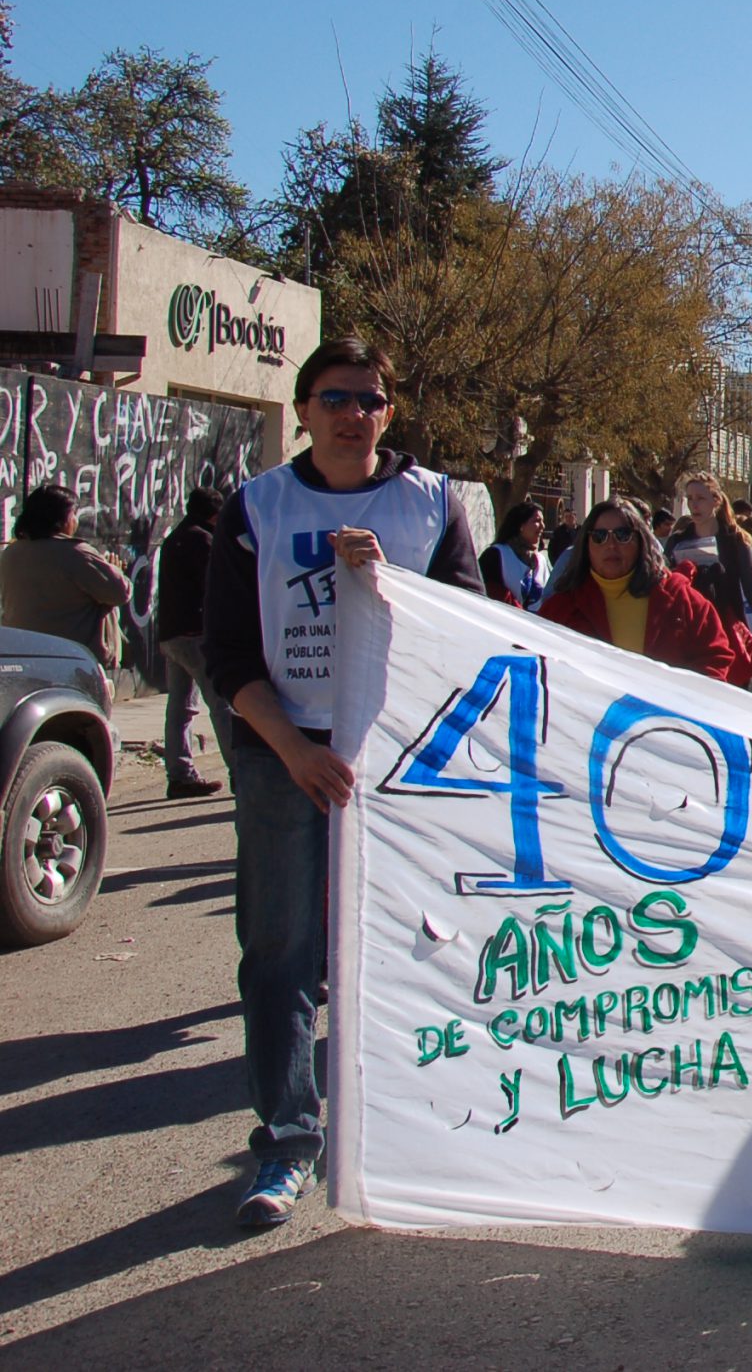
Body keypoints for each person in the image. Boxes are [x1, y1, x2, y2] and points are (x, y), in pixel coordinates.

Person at [199, 337, 485, 1228]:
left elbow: (471, 632)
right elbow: (229, 657)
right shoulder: (258, 507)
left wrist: (387, 583)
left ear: (389, 413)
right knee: (281, 954)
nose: (352, 414)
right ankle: (287, 1142)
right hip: (288, 754)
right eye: (334, 399)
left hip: (395, 759)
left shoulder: (432, 503)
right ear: (304, 410)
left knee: (418, 945)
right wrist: (291, 750)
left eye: (368, 399)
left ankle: (411, 1129)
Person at [539, 497, 741, 677]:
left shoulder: (680, 598)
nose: (611, 544)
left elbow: (716, 656)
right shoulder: (561, 608)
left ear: (640, 540)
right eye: (599, 536)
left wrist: (682, 703)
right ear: (586, 544)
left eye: (622, 534)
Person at [1, 484, 132, 683]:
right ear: (61, 518)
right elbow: (119, 592)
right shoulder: (77, 554)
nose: (76, 521)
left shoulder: (11, 553)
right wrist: (115, 570)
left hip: (26, 655)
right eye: (74, 514)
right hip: (73, 660)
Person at [663, 473, 752, 688]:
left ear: (716, 500)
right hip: (687, 635)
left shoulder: (736, 540)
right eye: (690, 499)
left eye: (700, 498)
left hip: (727, 632)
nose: (694, 505)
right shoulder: (678, 540)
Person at [155, 487, 229, 798]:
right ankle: (241, 771)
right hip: (196, 635)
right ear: (215, 514)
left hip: (173, 634)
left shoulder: (176, 538)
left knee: (180, 708)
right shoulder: (203, 540)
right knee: (222, 705)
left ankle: (180, 774)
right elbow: (215, 588)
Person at [479, 500, 551, 607]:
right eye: (537, 521)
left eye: (543, 521)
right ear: (521, 526)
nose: (543, 526)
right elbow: (487, 593)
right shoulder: (496, 555)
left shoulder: (541, 561)